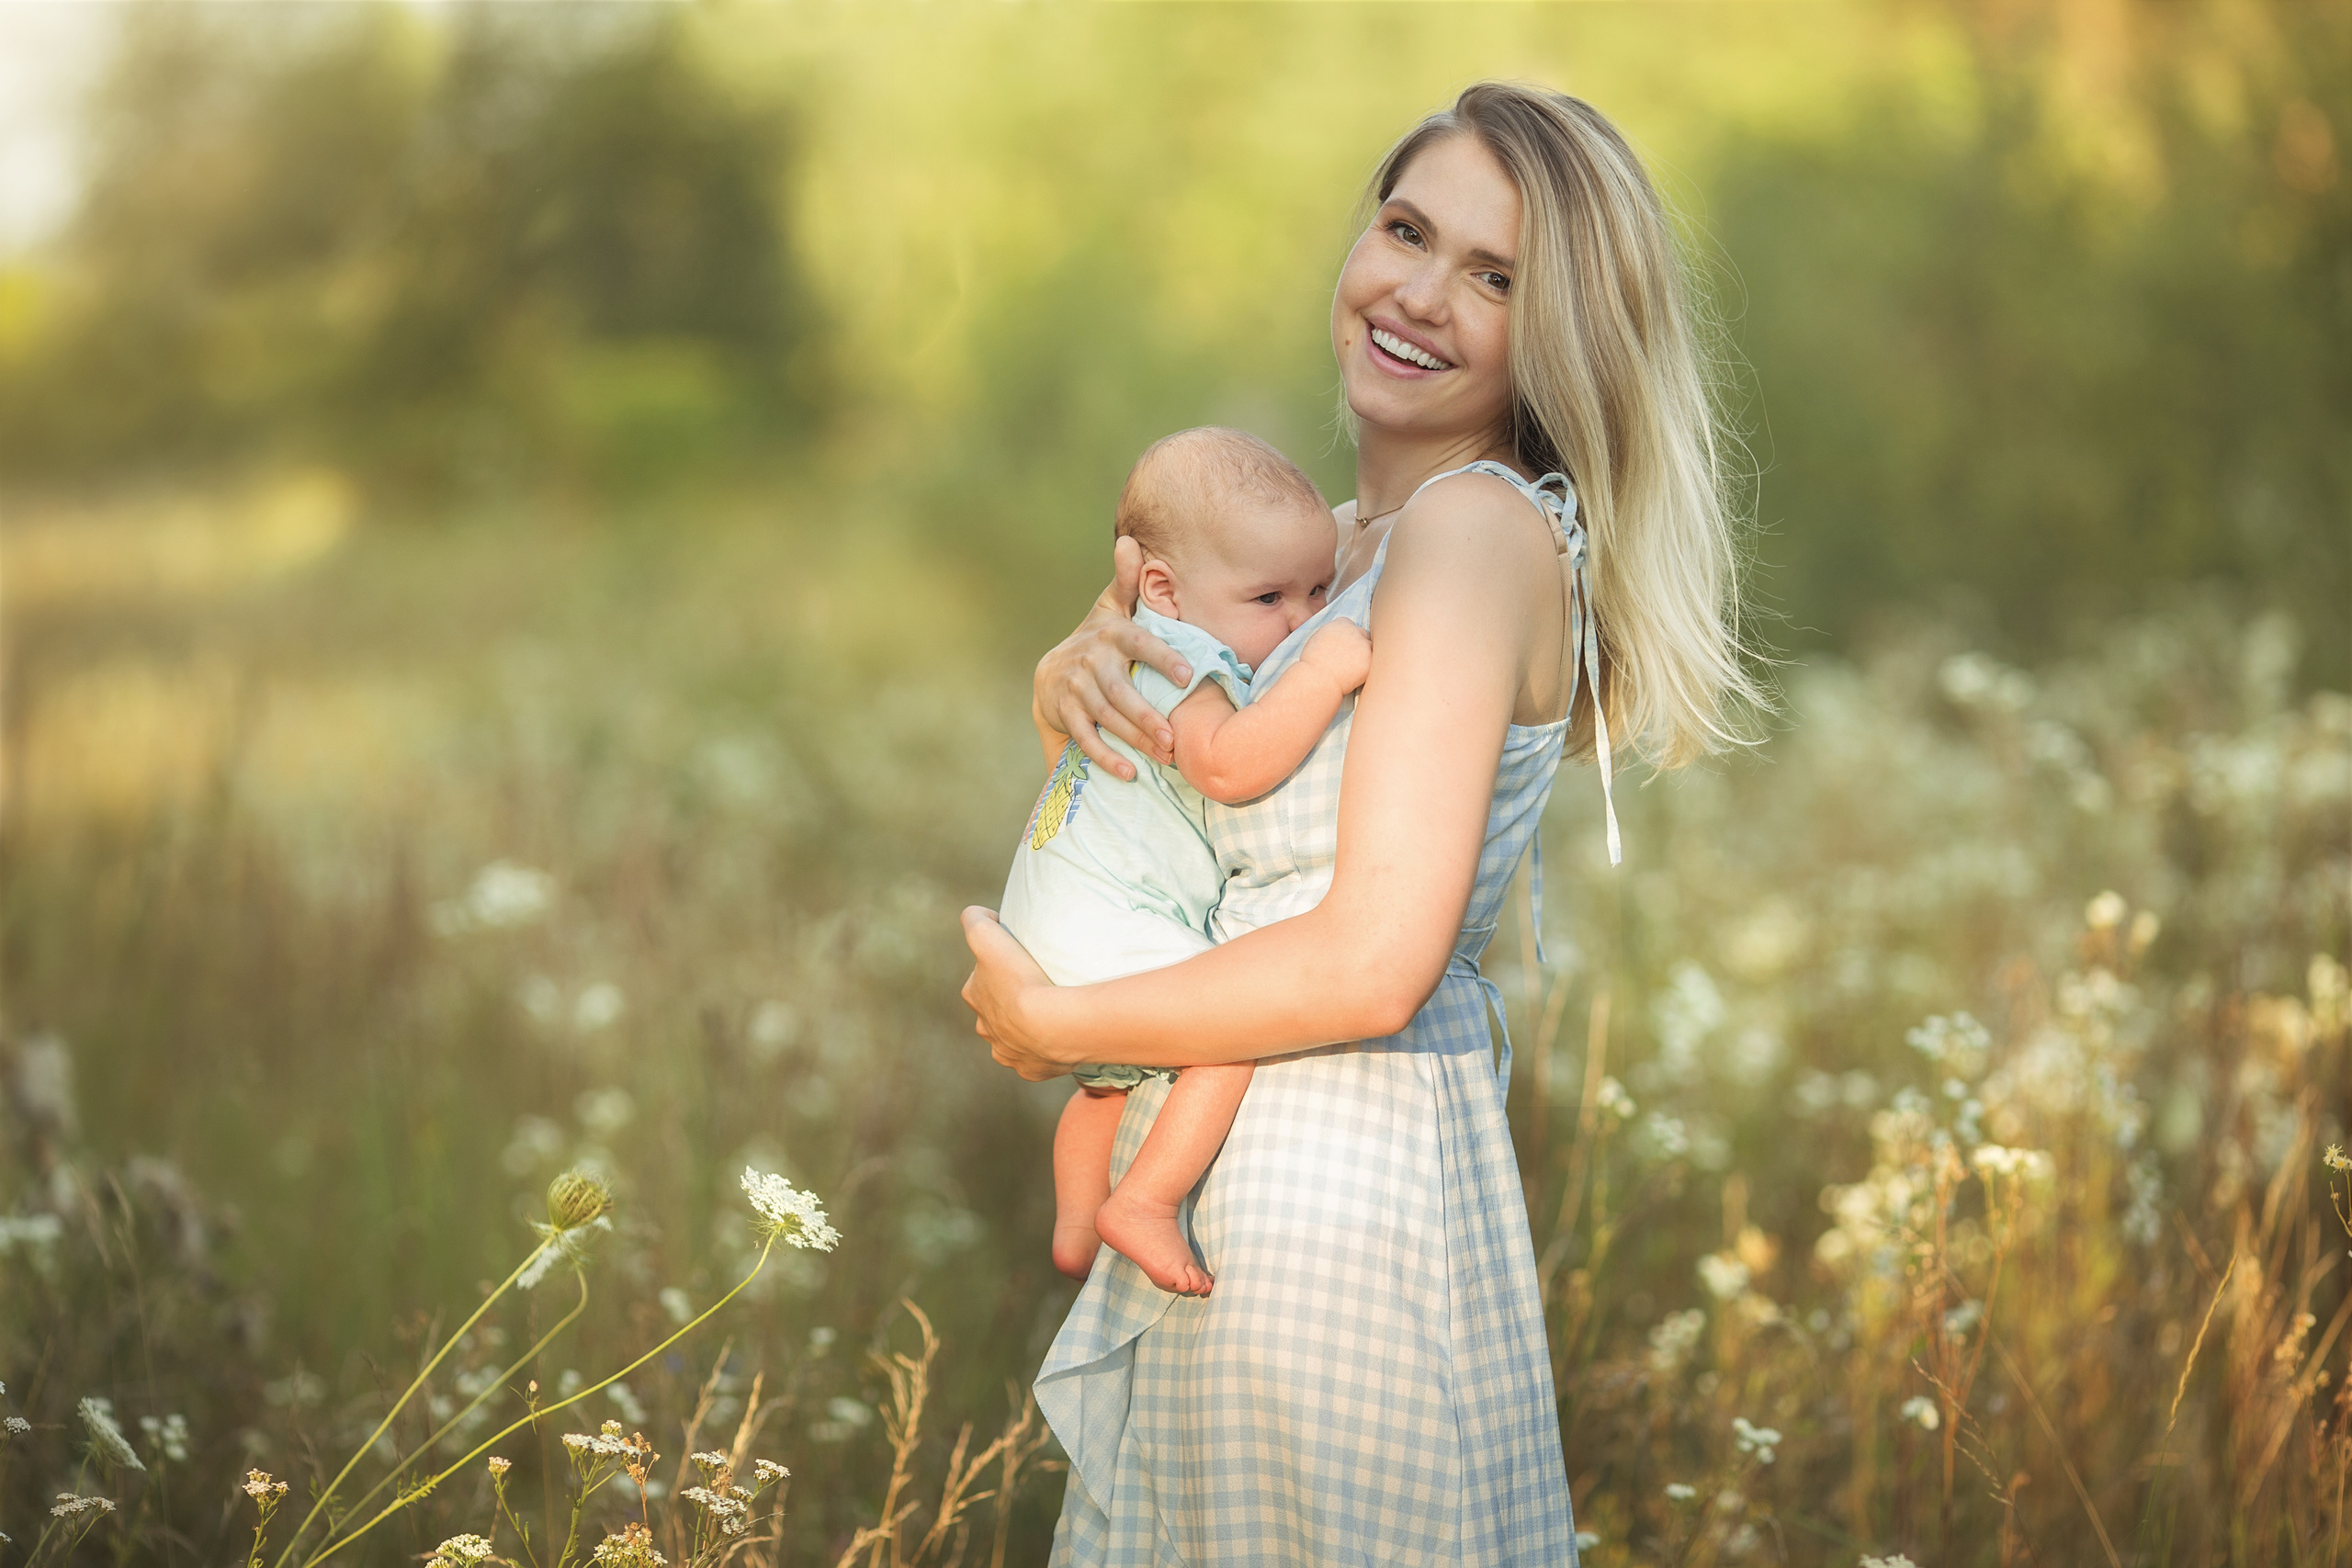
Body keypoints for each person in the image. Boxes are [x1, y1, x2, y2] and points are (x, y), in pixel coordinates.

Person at [963, 81, 1759, 1565]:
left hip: (1338, 1178)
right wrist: (1081, 679)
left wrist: (1064, 1024)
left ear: (1561, 337)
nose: (1419, 293)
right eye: (1406, 230)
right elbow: (1203, 809)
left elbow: (1376, 958)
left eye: (1497, 278)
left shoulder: (1469, 530)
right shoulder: (1330, 551)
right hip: (1245, 1169)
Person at [999, 426, 1374, 1298]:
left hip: (1057, 915)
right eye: (1271, 596)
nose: (1303, 619)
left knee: (1105, 1083)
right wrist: (1320, 675)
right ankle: (1144, 1201)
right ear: (1164, 590)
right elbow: (1227, 765)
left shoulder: (1147, 638)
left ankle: (1073, 1223)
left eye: (1321, 590)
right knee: (1227, 1029)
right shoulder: (1181, 658)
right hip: (1100, 917)